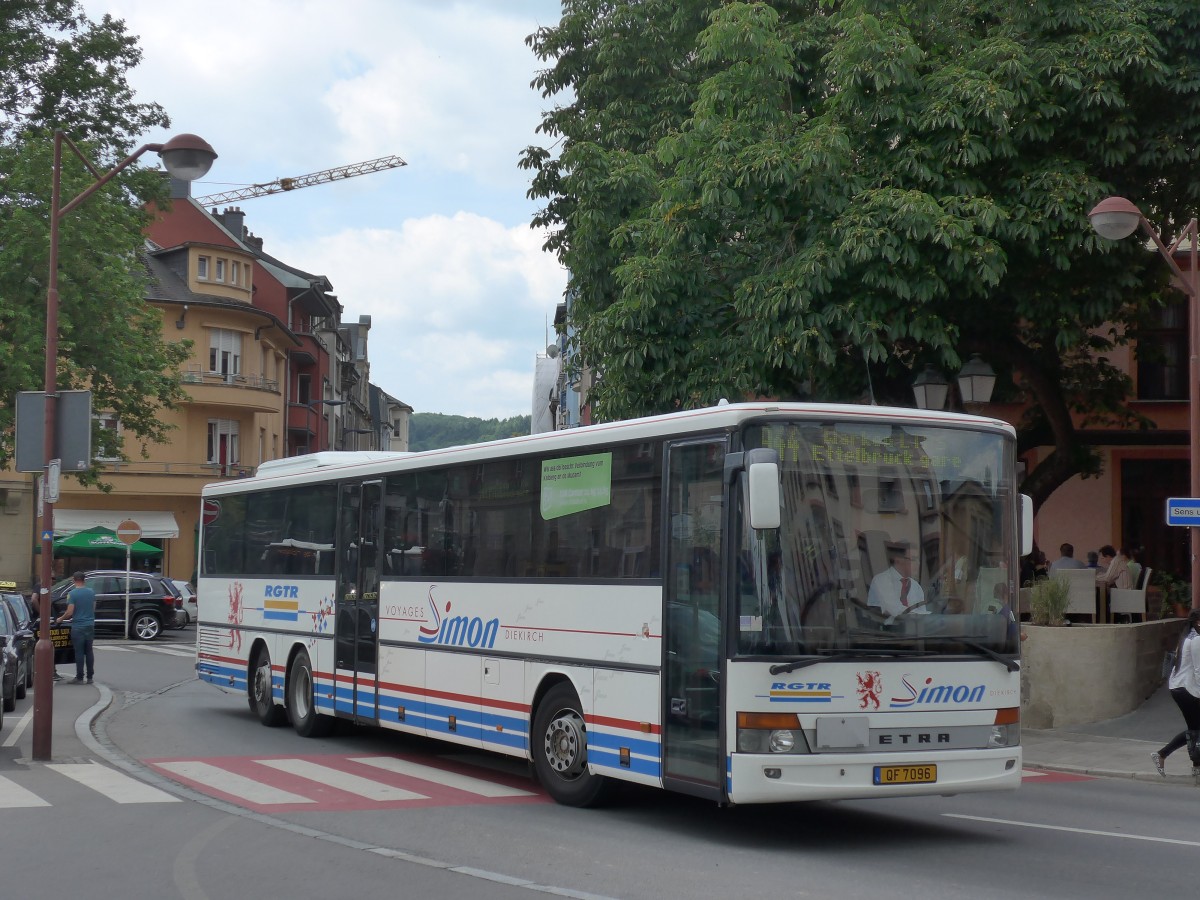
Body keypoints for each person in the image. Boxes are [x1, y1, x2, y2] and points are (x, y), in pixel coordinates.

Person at [1152, 609, 1200, 777]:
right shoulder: (1196, 640)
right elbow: (1198, 671)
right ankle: (1193, 765)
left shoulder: (1187, 637)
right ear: (1198, 622)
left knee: (1194, 729)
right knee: (1195, 729)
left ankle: (1164, 755)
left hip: (1178, 687)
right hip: (1187, 688)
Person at [53, 571, 96, 684]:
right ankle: (90, 677)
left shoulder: (72, 594)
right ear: (84, 580)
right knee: (89, 651)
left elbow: (70, 612)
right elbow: (93, 608)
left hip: (78, 626)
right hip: (90, 624)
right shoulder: (91, 592)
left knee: (79, 652)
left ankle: (79, 677)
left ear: (73, 580)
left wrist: (60, 619)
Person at [867, 547, 927, 617]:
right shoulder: (881, 580)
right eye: (913, 559)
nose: (918, 563)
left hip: (912, 626)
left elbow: (923, 614)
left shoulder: (916, 586)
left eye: (918, 559)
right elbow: (893, 610)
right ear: (898, 560)